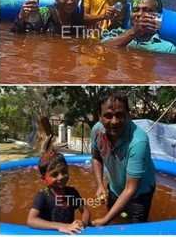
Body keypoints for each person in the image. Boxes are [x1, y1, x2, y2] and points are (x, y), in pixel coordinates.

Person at [90, 92, 156, 226]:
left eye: (119, 115)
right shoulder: (97, 130)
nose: (114, 121)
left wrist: (104, 220)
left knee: (135, 230)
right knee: (114, 222)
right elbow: (96, 157)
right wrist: (100, 185)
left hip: (139, 194)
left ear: (128, 115)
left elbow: (131, 189)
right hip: (115, 188)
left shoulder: (138, 141)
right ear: (99, 117)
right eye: (108, 116)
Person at [27, 151, 90, 234]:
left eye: (64, 172)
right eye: (55, 174)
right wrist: (61, 226)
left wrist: (83, 223)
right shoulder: (43, 196)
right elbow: (31, 220)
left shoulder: (72, 192)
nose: (61, 177)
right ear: (43, 179)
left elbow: (85, 211)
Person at [101, 0, 176, 54]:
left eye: (147, 10)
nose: (139, 14)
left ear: (158, 16)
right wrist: (134, 32)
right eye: (135, 10)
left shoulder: (168, 49)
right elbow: (102, 49)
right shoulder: (115, 34)